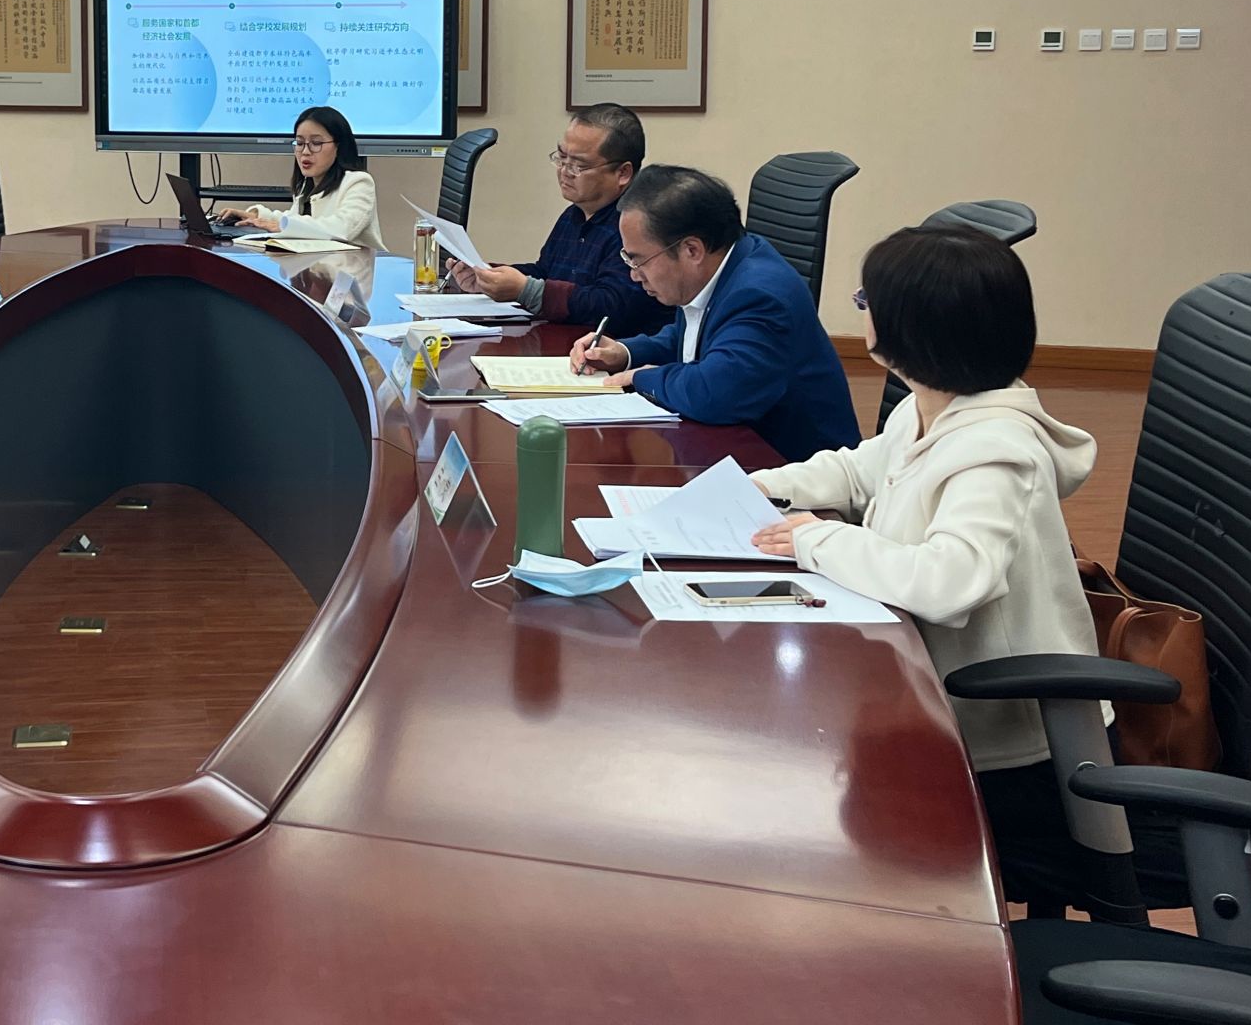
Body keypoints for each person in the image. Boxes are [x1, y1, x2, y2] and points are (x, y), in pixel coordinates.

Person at [747, 225, 1101, 909]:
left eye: (866, 300)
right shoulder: (926, 408)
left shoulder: (996, 450)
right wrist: (758, 487)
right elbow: (859, 471)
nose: (862, 310)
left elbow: (952, 580)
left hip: (1004, 749)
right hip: (925, 695)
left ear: (909, 328)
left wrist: (819, 540)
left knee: (802, 812)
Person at [570, 164, 859, 461]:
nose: (634, 275)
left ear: (691, 250)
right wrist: (626, 352)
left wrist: (643, 378)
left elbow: (714, 392)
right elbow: (694, 336)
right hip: (737, 452)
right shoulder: (722, 266)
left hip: (791, 470)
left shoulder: (759, 295)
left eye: (638, 260)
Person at [446, 102, 670, 336]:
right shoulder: (574, 214)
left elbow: (610, 306)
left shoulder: (637, 224)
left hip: (616, 349)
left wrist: (526, 290)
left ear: (623, 173)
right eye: (562, 158)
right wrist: (488, 276)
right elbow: (547, 272)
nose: (564, 171)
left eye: (578, 165)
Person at [237, 106, 384, 249]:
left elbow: (342, 229)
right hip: (319, 263)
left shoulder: (359, 182)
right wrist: (255, 216)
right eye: (300, 143)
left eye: (316, 143)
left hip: (354, 264)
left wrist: (283, 226)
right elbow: (294, 221)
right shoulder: (306, 185)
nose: (305, 151)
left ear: (339, 146)